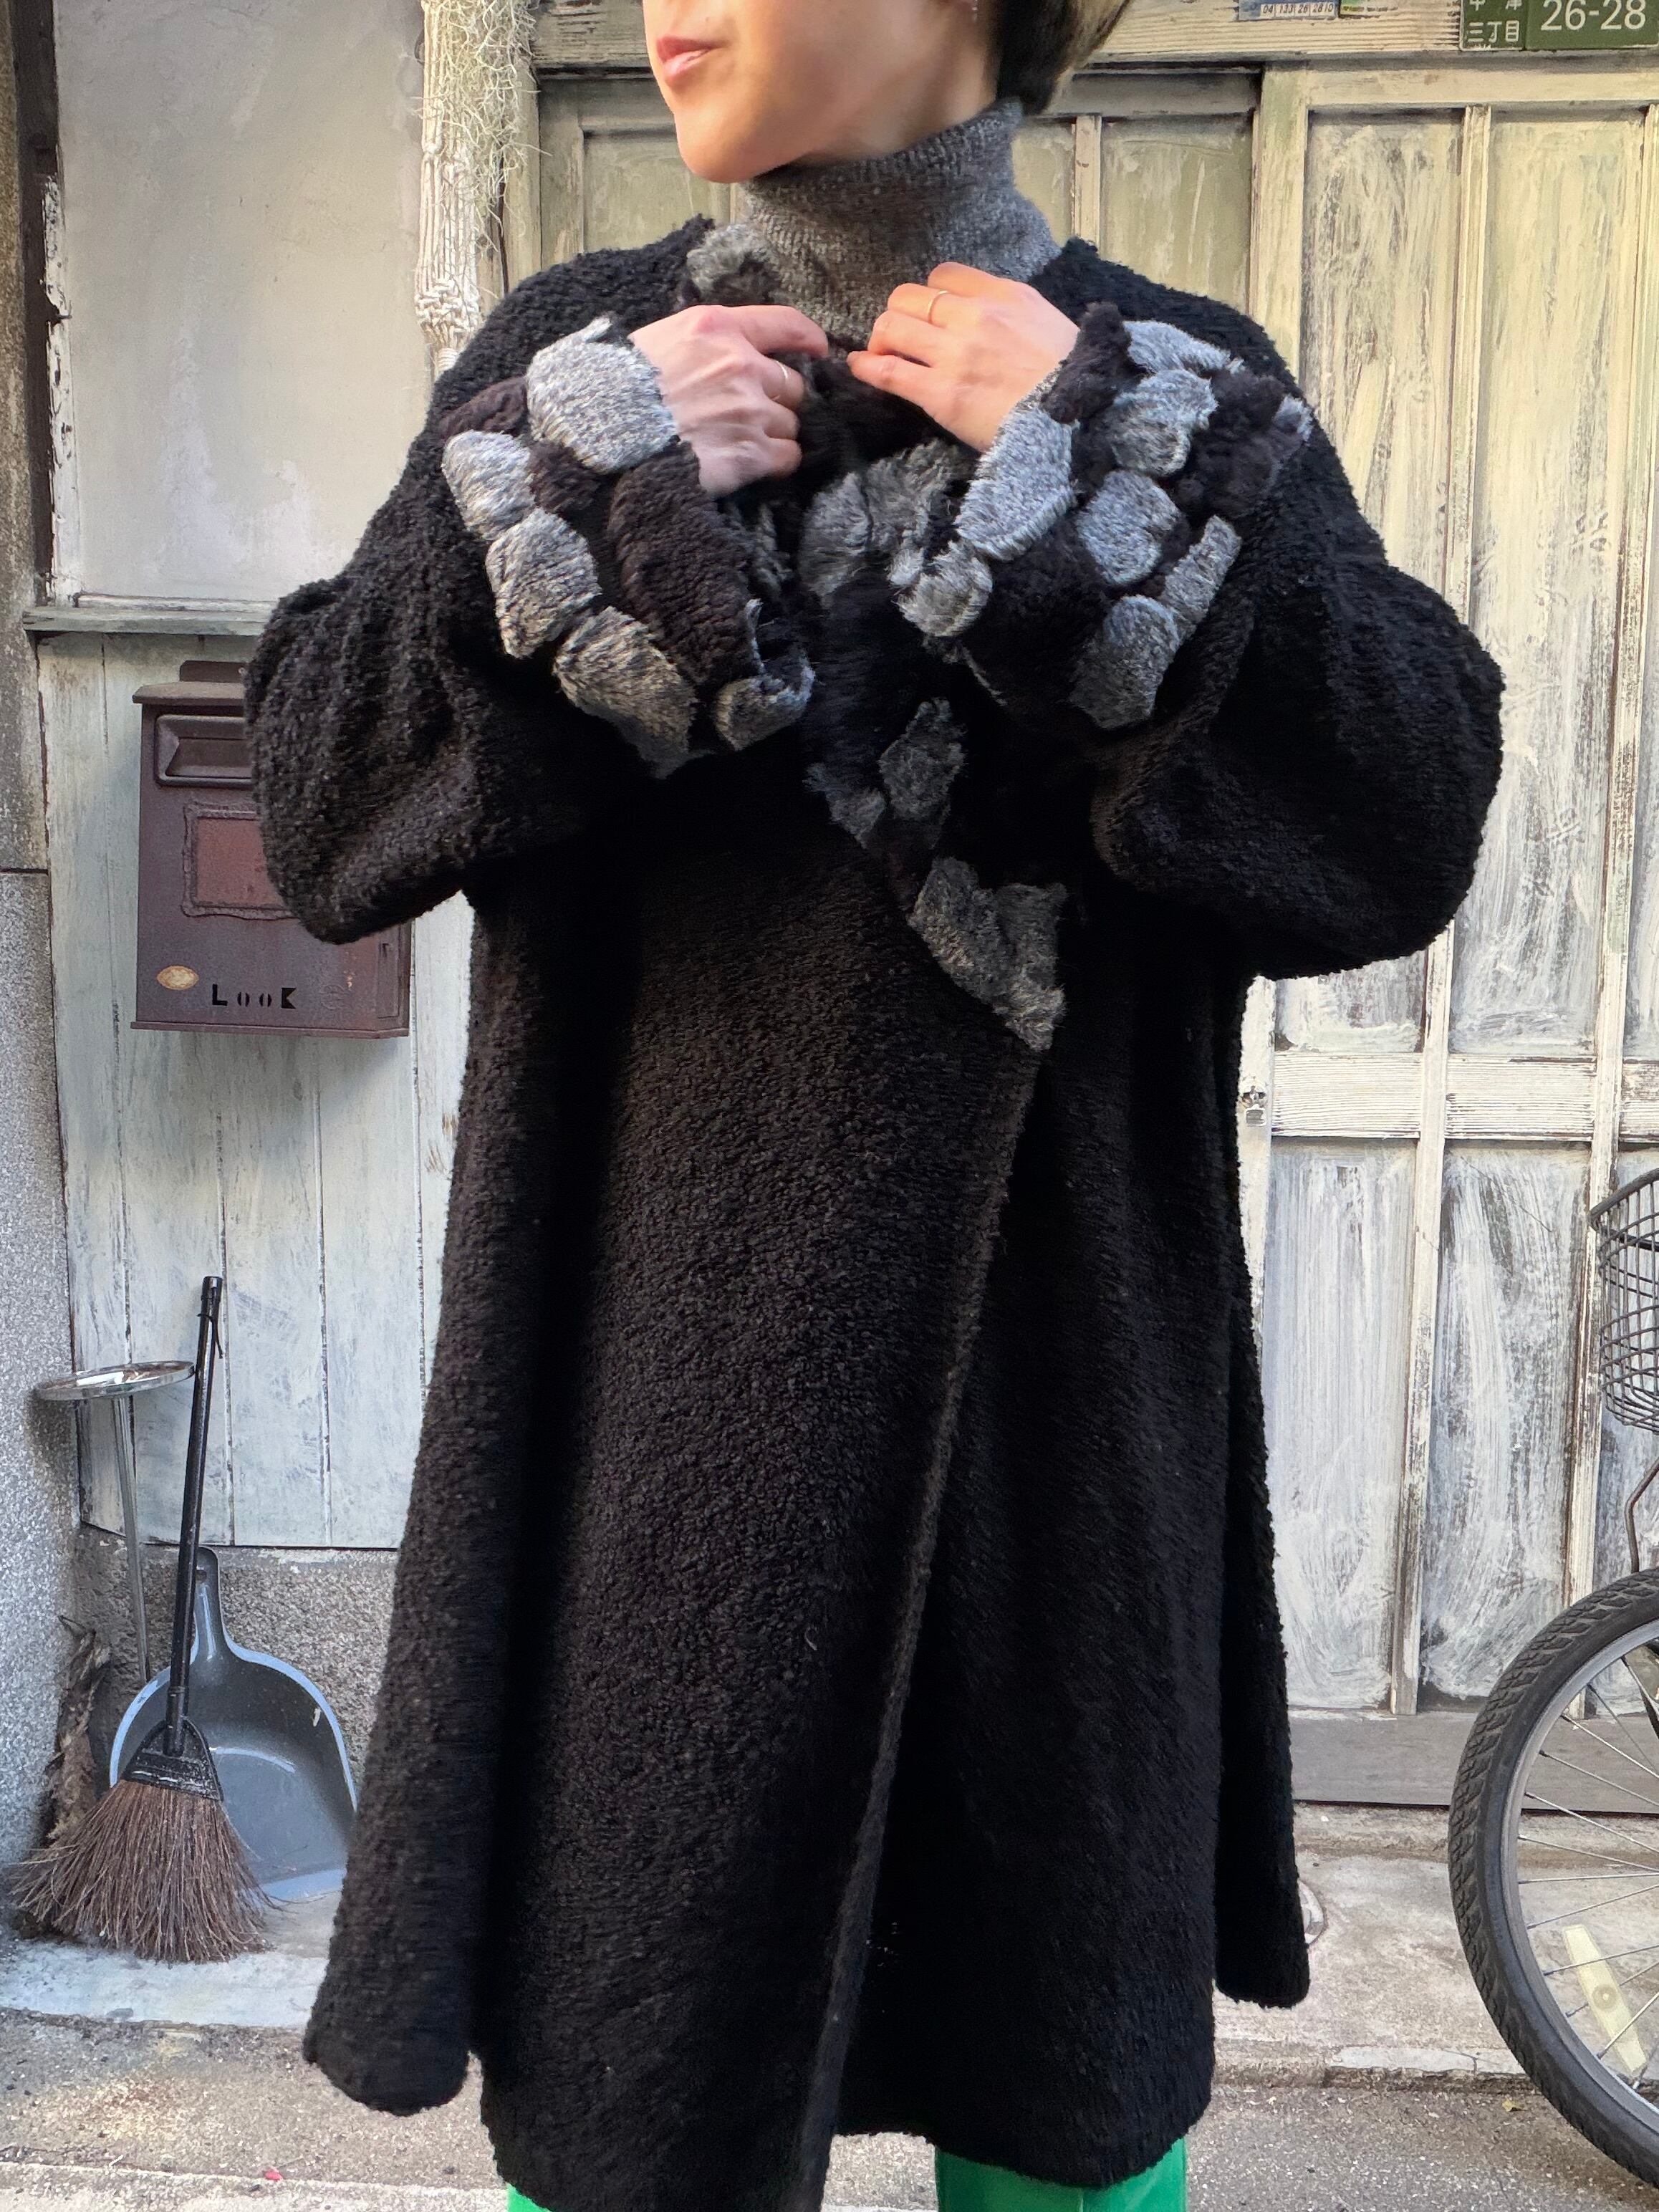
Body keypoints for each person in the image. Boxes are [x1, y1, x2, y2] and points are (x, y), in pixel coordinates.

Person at [243, 3, 1506, 2211]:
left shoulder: (1162, 379)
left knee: (1062, 2116)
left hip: (1057, 1450)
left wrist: (1111, 475)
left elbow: (1398, 818)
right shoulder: (580, 359)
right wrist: (549, 482)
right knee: (634, 2105)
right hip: (652, 1447)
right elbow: (323, 808)